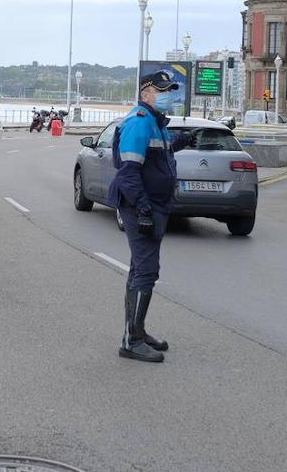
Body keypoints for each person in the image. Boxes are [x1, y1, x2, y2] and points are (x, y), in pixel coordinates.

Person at [109, 70, 196, 363]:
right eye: (162, 90)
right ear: (146, 94)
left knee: (140, 269)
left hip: (154, 205)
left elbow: (162, 152)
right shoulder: (139, 123)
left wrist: (187, 139)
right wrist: (144, 208)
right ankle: (132, 341)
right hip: (141, 207)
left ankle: (136, 330)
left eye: (170, 90)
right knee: (146, 270)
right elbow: (128, 174)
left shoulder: (156, 124)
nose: (167, 95)